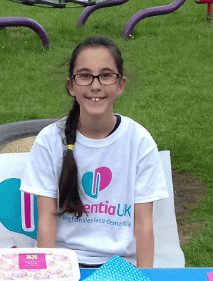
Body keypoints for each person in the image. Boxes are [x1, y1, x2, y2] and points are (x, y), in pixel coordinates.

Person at [21, 35, 169, 268]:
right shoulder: (49, 140)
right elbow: (47, 220)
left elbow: (143, 224)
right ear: (71, 85)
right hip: (64, 265)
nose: (96, 85)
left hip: (120, 267)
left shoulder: (139, 140)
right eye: (85, 76)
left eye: (106, 75)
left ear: (121, 85)